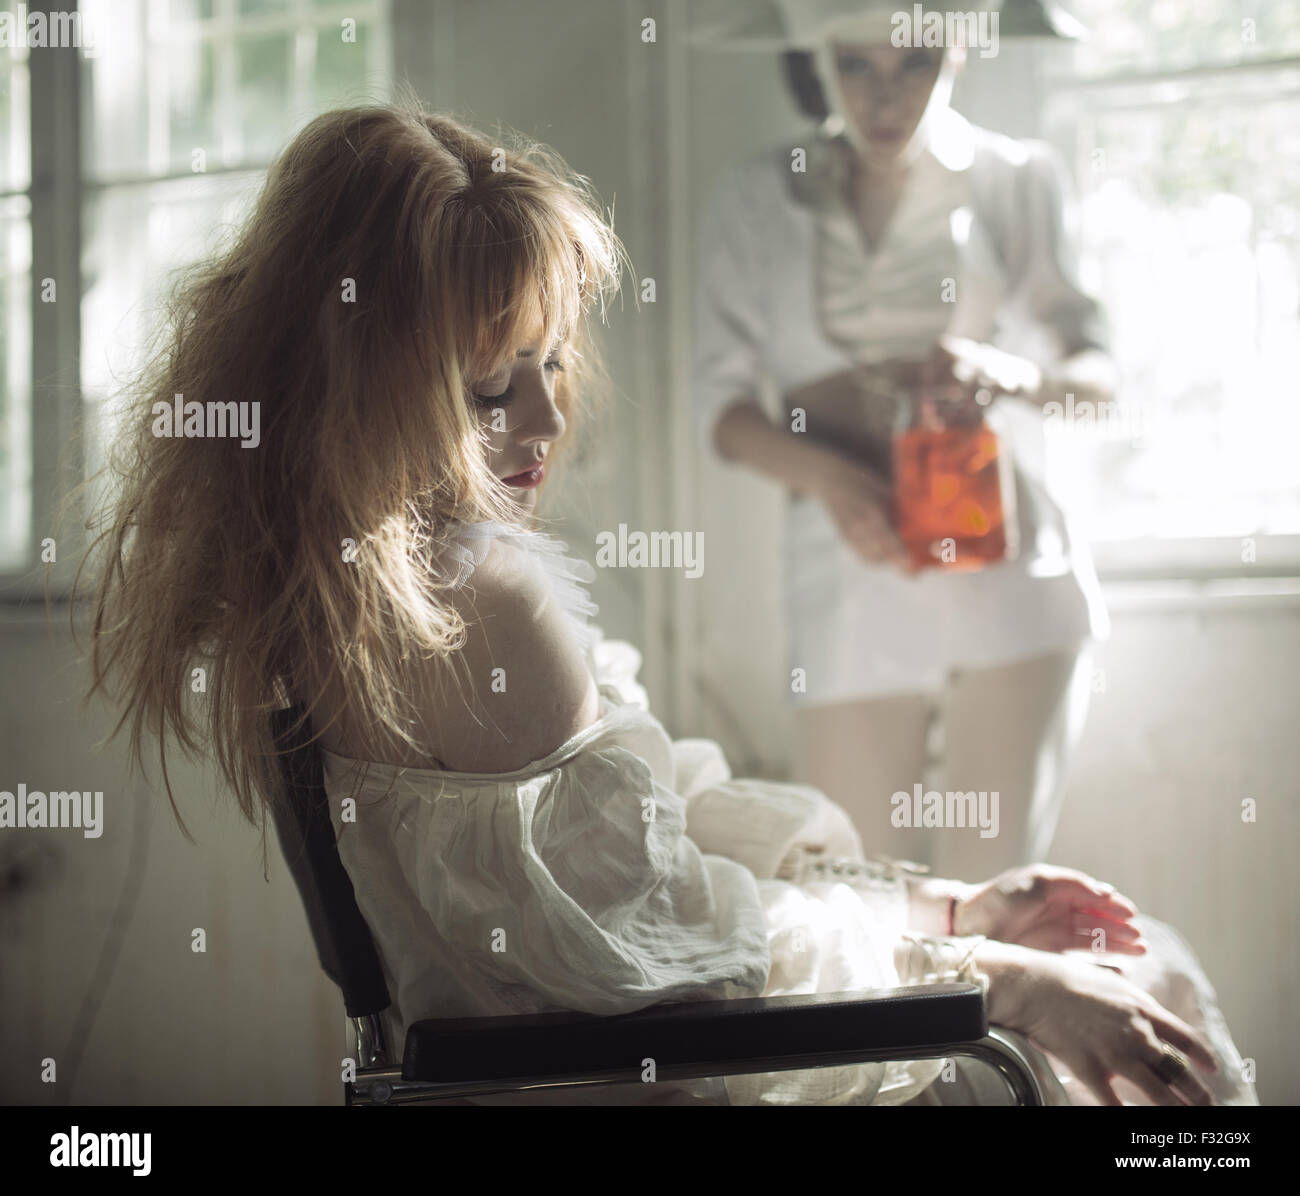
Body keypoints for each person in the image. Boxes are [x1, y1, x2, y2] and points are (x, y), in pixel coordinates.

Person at [78, 100, 1254, 1106]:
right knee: (1149, 986)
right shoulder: (474, 606)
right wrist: (1001, 978)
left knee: (1116, 972)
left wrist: (940, 908)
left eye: (548, 363)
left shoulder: (339, 589)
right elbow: (700, 964)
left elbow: (656, 832)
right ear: (361, 391)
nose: (544, 421)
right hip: (668, 1068)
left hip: (631, 1047)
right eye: (490, 388)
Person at [691, 0, 1114, 881]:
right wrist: (836, 484)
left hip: (1007, 567)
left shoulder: (1018, 179)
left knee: (993, 896)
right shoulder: (755, 195)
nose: (887, 97)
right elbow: (720, 408)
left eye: (914, 63)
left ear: (958, 50)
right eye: (858, 66)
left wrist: (1014, 374)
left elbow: (1096, 383)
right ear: (817, 62)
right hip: (847, 572)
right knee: (859, 896)